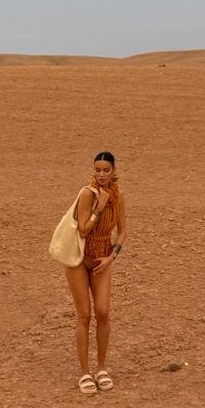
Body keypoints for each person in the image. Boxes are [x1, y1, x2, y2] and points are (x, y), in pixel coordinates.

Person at [63, 150, 126, 393]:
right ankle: (84, 372)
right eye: (97, 170)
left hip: (102, 259)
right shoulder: (87, 194)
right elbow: (82, 230)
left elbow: (122, 231)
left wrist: (111, 258)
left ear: (114, 171)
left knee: (103, 312)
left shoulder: (118, 198)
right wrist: (98, 208)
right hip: (79, 259)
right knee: (84, 315)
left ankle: (101, 367)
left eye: (106, 170)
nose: (101, 174)